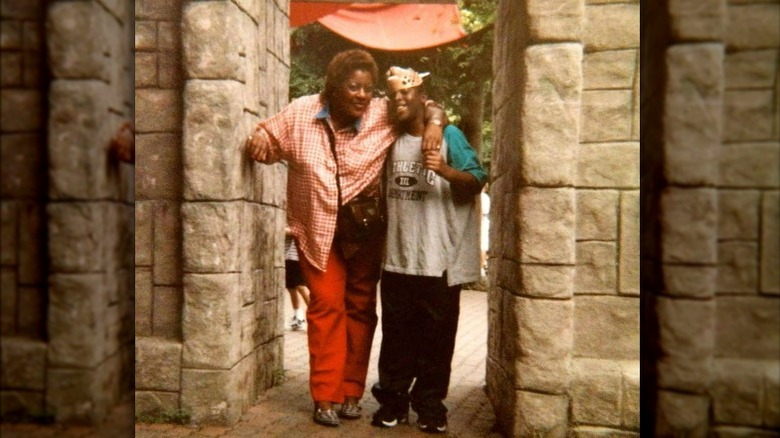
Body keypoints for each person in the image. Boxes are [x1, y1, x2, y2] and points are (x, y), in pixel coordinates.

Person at [245, 49, 447, 427]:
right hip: (316, 229)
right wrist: (257, 139)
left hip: (364, 230)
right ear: (335, 87)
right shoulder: (302, 112)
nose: (361, 95)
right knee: (325, 306)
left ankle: (351, 391)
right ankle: (325, 395)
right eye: (353, 87)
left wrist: (435, 122)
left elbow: (425, 104)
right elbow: (268, 137)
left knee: (360, 307)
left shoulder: (381, 113)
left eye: (368, 89)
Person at [370, 67, 487, 434]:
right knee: (396, 342)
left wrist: (445, 170)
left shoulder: (449, 134)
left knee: (436, 345)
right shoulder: (388, 138)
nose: (400, 101)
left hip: (440, 263)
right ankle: (393, 403)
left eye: (407, 95)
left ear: (423, 98)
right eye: (394, 97)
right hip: (397, 260)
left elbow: (477, 180)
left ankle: (431, 407)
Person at [285, 227, 310, 331]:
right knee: (291, 287)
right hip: (287, 255)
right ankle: (298, 316)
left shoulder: (294, 215)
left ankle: (318, 315)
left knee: (301, 286)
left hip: (296, 256)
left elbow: (296, 230)